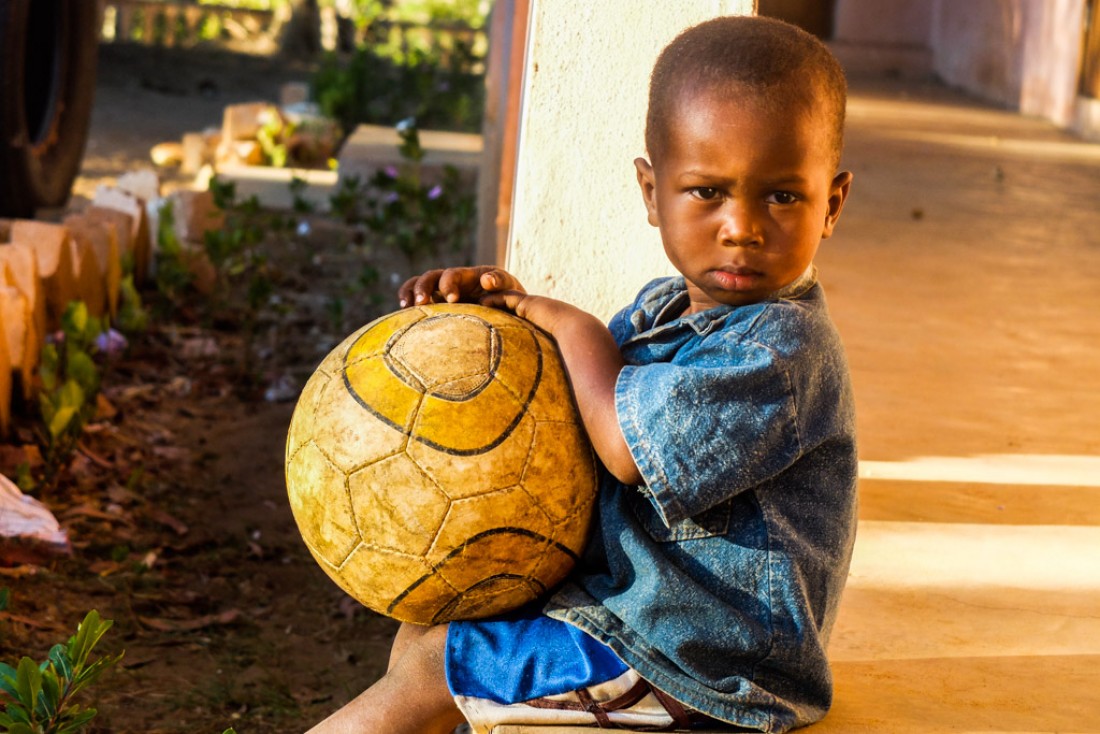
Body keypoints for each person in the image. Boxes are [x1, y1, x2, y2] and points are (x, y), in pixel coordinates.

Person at [308, 15, 857, 734]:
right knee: (432, 624)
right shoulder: (665, 310)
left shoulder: (781, 350)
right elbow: (579, 398)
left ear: (831, 204)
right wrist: (502, 322)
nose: (741, 227)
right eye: (707, 192)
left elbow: (625, 448)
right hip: (646, 623)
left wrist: (571, 325)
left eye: (781, 196)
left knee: (439, 664)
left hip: (704, 670)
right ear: (651, 191)